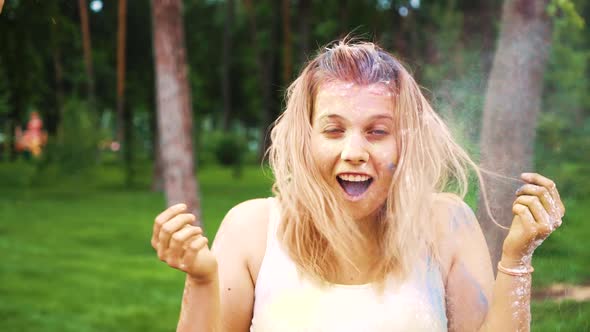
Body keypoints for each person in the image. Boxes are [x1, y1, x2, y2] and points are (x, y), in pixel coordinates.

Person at [151, 40, 565, 332]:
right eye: (333, 130)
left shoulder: (446, 223)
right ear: (306, 137)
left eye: (377, 131)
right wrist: (202, 281)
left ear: (404, 140)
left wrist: (517, 257)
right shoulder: (251, 230)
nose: (354, 151)